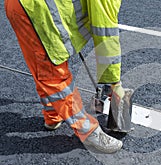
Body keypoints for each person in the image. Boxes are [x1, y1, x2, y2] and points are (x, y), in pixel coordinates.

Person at [4, 0, 124, 153]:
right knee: (52, 73)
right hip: (37, 11)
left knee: (44, 63)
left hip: (26, 7)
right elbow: (105, 33)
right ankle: (88, 132)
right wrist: (115, 82)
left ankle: (53, 116)